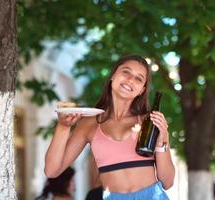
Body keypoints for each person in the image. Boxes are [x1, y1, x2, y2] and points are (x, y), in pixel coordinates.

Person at [44, 55, 175, 199]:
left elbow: (167, 182)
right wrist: (63, 127)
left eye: (139, 78)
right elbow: (52, 171)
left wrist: (162, 142)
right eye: (126, 72)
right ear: (113, 75)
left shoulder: (149, 122)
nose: (130, 80)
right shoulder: (89, 124)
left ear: (142, 90)